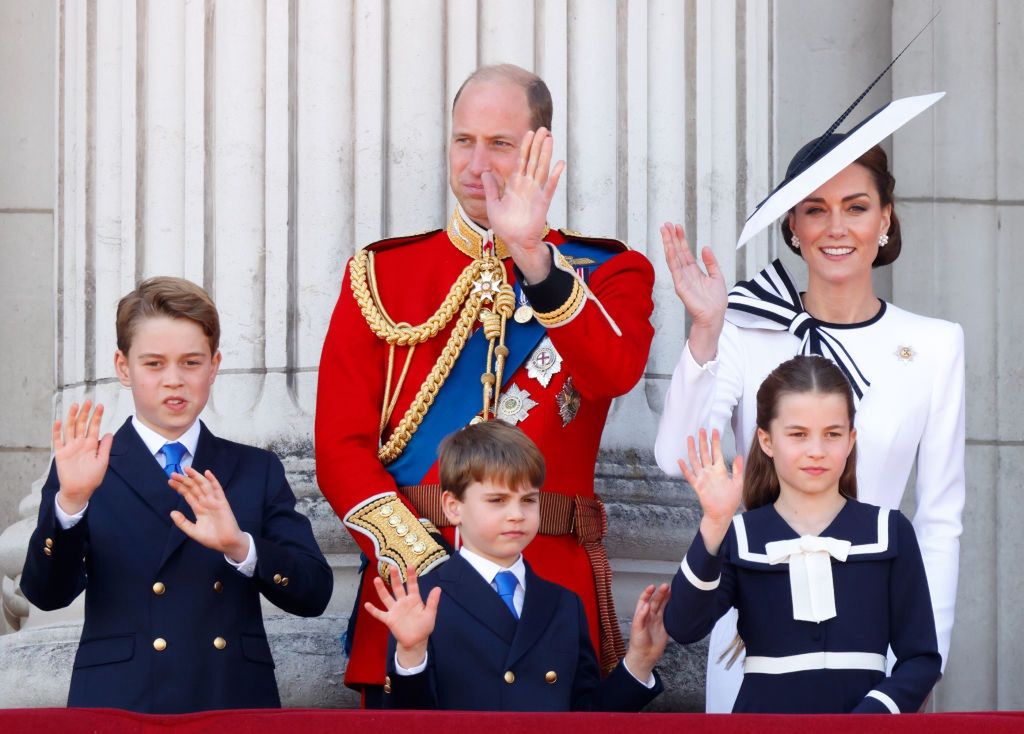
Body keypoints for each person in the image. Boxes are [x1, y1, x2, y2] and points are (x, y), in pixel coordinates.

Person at [316, 64, 655, 701]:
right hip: (411, 589)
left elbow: (613, 372)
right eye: (463, 140)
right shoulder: (382, 274)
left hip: (547, 593)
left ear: (540, 148)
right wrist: (428, 564)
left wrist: (533, 258)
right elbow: (339, 451)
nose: (477, 163)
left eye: (499, 143)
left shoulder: (609, 271)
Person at [655, 128, 964, 710]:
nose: (836, 227)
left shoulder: (935, 345)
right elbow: (677, 458)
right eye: (814, 210)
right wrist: (705, 331)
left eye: (857, 207)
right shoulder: (744, 327)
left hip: (878, 657)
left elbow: (941, 517)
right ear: (792, 226)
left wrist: (922, 665)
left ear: (886, 218)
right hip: (754, 642)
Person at [19, 277, 333, 713]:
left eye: (190, 362)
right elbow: (45, 594)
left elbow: (314, 594)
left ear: (214, 365)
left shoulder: (255, 469)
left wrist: (239, 546)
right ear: (123, 367)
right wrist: (70, 505)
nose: (174, 381)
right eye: (154, 364)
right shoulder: (86, 467)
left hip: (229, 698)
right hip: (121, 702)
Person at [665, 355, 941, 713]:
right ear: (766, 440)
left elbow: (921, 659)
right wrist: (715, 524)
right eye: (798, 435)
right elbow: (683, 625)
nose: (816, 451)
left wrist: (871, 718)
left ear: (851, 439)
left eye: (832, 434)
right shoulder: (741, 536)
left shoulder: (890, 531)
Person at [366, 420, 668, 711]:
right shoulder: (425, 599)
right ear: (453, 507)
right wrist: (410, 654)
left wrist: (638, 662)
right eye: (497, 500)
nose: (516, 514)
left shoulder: (564, 604)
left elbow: (586, 718)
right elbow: (408, 721)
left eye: (528, 500)